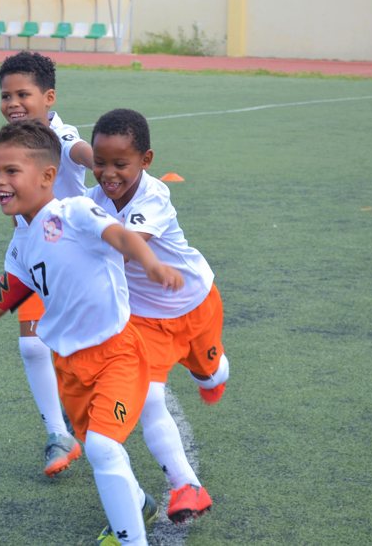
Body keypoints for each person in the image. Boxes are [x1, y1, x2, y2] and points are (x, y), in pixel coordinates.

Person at [0, 121, 183, 545]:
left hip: (118, 353)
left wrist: (151, 264)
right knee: (101, 450)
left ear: (47, 176)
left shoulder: (75, 211)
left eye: (11, 171)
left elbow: (118, 234)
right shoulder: (21, 246)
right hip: (71, 369)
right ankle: (138, 505)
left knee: (100, 448)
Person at [87, 108, 229, 524]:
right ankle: (187, 486)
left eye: (120, 164)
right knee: (149, 398)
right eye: (99, 162)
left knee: (212, 374)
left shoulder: (154, 196)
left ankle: (211, 376)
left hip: (196, 303)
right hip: (145, 321)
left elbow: (128, 243)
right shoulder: (92, 201)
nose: (108, 174)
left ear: (146, 161)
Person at [0, 51, 94, 477]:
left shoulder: (61, 133)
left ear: (48, 97)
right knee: (31, 344)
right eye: (6, 95)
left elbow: (81, 152)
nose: (13, 102)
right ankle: (58, 434)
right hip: (32, 251)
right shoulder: (9, 139)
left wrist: (107, 163)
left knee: (92, 351)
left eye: (23, 94)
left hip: (77, 257)